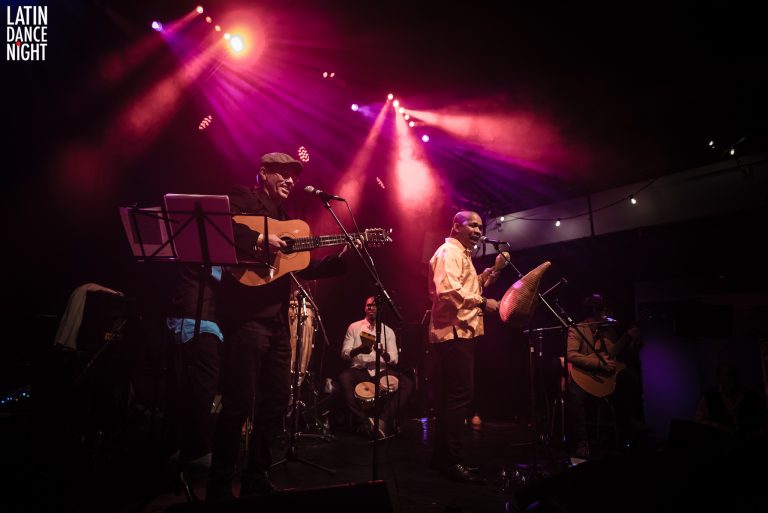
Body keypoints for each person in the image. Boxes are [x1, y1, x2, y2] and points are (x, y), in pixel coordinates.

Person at [206, 152, 348, 501]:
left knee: (276, 402)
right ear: (264, 173)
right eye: (283, 174)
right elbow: (218, 225)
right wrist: (257, 240)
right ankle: (220, 485)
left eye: (293, 177)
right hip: (246, 319)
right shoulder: (243, 196)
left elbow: (297, 264)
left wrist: (339, 261)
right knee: (238, 403)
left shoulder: (287, 219)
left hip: (276, 323)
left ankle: (256, 477)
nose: (290, 181)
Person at [426, 210, 508, 484]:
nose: (478, 230)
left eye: (480, 226)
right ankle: (451, 461)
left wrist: (490, 274)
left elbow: (464, 287)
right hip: (454, 334)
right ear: (456, 226)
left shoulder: (462, 256)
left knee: (451, 400)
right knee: (458, 398)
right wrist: (485, 303)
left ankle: (443, 459)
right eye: (472, 225)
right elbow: (447, 292)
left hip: (459, 333)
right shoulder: (449, 253)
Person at [565, 293, 646, 460]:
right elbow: (571, 355)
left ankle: (631, 425)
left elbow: (617, 355)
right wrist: (599, 364)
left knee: (629, 376)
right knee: (574, 394)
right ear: (595, 311)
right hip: (585, 377)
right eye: (606, 311)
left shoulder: (610, 332)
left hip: (605, 380)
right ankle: (582, 441)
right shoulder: (577, 329)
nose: (610, 314)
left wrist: (634, 341)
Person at [166, 264, 223, 496]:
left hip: (196, 321)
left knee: (192, 387)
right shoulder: (201, 246)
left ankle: (182, 448)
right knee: (202, 386)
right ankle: (194, 449)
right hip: (195, 321)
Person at [339, 296, 414, 438]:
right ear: (364, 308)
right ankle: (365, 421)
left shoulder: (388, 331)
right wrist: (359, 349)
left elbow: (394, 360)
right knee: (344, 378)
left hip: (380, 371)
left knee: (407, 383)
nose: (371, 308)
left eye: (374, 306)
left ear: (379, 309)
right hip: (359, 370)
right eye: (368, 305)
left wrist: (383, 353)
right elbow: (344, 353)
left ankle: (382, 419)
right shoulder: (354, 327)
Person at [693, 363, 767, 441]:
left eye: (735, 374)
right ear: (719, 378)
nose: (732, 378)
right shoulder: (709, 397)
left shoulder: (751, 396)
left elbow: (763, 420)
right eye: (728, 374)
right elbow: (698, 422)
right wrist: (719, 426)